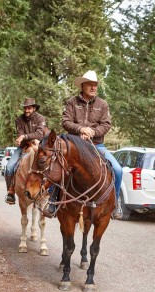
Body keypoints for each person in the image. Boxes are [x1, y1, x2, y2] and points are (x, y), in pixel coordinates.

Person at [54, 70, 122, 219]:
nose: (93, 87)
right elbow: (66, 121)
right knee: (56, 164)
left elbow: (106, 124)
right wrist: (80, 129)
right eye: (90, 84)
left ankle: (115, 204)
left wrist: (92, 132)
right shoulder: (72, 102)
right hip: (74, 144)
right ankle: (53, 201)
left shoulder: (102, 104)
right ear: (83, 86)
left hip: (96, 145)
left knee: (117, 170)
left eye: (95, 85)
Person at [5, 97, 46, 205]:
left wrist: (24, 136)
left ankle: (51, 195)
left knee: (50, 166)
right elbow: (20, 134)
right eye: (25, 108)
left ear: (34, 108)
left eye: (29, 108)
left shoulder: (40, 119)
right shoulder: (19, 120)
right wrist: (23, 138)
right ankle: (11, 192)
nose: (27, 110)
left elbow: (39, 134)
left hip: (38, 146)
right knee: (9, 167)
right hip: (23, 147)